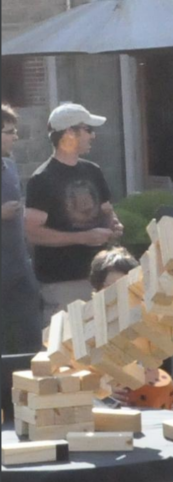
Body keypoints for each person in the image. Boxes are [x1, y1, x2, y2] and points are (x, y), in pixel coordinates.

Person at [24, 102, 123, 324]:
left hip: (100, 277)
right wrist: (82, 238)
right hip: (62, 282)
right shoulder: (42, 180)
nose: (93, 136)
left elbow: (107, 210)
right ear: (69, 133)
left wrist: (113, 226)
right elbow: (32, 233)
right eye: (88, 129)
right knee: (66, 352)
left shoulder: (93, 170)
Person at [87, 247, 173, 410]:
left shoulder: (148, 325)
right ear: (98, 290)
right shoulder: (86, 328)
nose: (122, 295)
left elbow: (158, 376)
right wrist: (100, 392)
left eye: (128, 287)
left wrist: (167, 396)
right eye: (113, 288)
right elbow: (68, 379)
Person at [1, 104, 43, 354]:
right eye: (8, 131)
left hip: (19, 270)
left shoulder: (11, 168)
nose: (15, 137)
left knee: (29, 342)